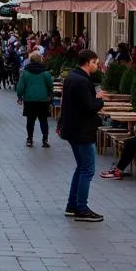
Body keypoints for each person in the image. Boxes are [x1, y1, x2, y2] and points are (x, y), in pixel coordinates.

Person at [57, 49, 105, 222]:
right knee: (88, 169)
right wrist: (99, 99)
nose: (97, 66)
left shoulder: (71, 77)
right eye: (96, 63)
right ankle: (81, 208)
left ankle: (72, 205)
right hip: (82, 130)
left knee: (81, 167)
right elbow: (89, 106)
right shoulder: (82, 81)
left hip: (72, 128)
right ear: (89, 62)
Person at [16, 51, 54, 148]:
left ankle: (30, 139)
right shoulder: (45, 72)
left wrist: (19, 96)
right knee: (43, 120)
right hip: (43, 99)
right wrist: (50, 94)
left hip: (29, 99)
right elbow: (50, 85)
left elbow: (20, 86)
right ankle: (45, 140)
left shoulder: (25, 72)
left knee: (30, 120)